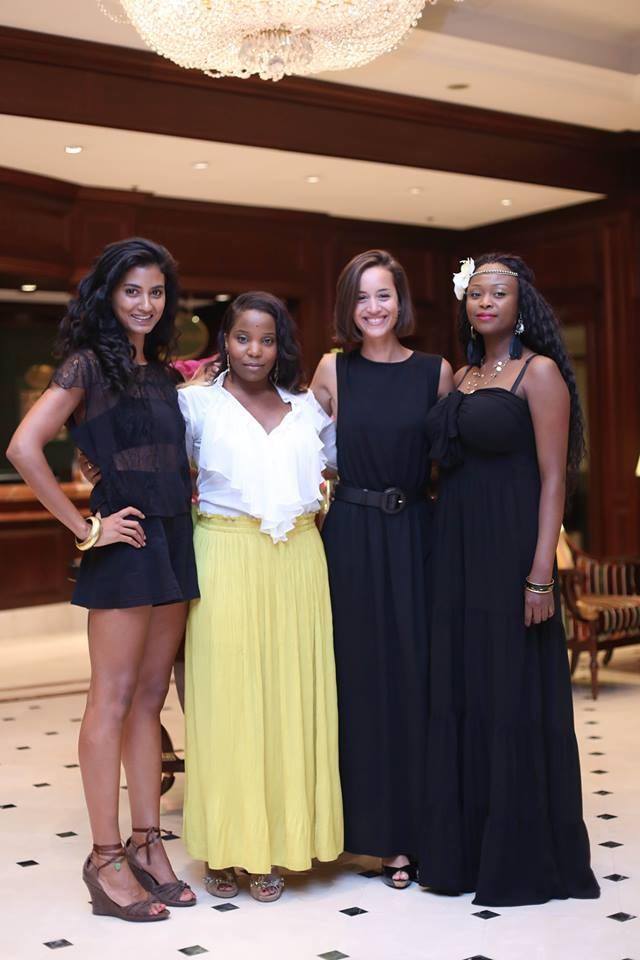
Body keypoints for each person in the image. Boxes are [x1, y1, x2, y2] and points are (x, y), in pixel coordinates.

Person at [7, 238, 198, 922]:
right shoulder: (86, 364)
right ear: (109, 296)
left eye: (156, 292)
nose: (145, 304)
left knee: (149, 700)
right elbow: (24, 446)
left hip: (173, 537)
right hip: (126, 543)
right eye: (132, 291)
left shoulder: (164, 375)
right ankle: (105, 856)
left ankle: (148, 844)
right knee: (110, 700)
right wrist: (86, 528)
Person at [419, 252, 600, 905]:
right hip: (456, 553)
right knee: (463, 691)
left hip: (510, 553)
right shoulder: (464, 374)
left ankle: (518, 857)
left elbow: (555, 479)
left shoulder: (539, 372)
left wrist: (540, 573)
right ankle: (463, 852)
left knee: (507, 693)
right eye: (476, 293)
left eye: (498, 293)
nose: (485, 302)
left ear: (521, 303)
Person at [178, 292, 343, 902]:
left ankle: (277, 844)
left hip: (298, 561)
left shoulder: (307, 410)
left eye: (267, 339)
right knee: (227, 701)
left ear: (281, 346)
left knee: (289, 700)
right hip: (223, 554)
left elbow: (335, 475)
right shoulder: (195, 404)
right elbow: (153, 467)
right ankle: (226, 844)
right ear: (225, 341)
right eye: (243, 337)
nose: (254, 350)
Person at [311, 249, 453, 888]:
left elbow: (453, 464)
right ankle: (355, 832)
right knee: (357, 680)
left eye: (384, 295)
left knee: (416, 679)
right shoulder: (332, 370)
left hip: (416, 533)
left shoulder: (434, 372)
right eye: (362, 297)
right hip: (349, 536)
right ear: (349, 305)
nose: (374, 308)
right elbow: (294, 448)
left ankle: (410, 836)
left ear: (401, 301)